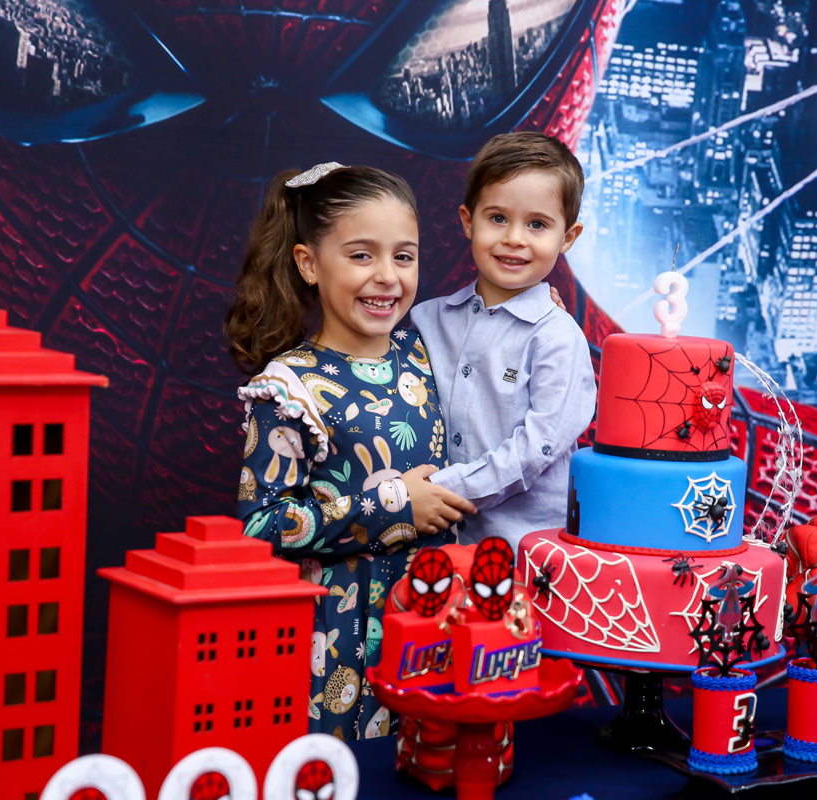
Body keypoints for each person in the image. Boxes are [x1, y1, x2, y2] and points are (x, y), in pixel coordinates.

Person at [226, 163, 476, 740]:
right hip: (337, 644)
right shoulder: (288, 388)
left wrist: (541, 307)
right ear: (309, 264)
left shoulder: (426, 352)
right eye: (362, 255)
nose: (387, 276)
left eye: (404, 256)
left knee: (433, 763)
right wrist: (392, 507)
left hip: (432, 626)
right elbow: (259, 528)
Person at [410, 132, 597, 550]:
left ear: (567, 237)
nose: (514, 237)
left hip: (525, 556)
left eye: (537, 224)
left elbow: (536, 447)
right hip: (429, 549)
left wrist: (440, 491)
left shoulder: (557, 337)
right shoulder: (426, 320)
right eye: (497, 218)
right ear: (467, 221)